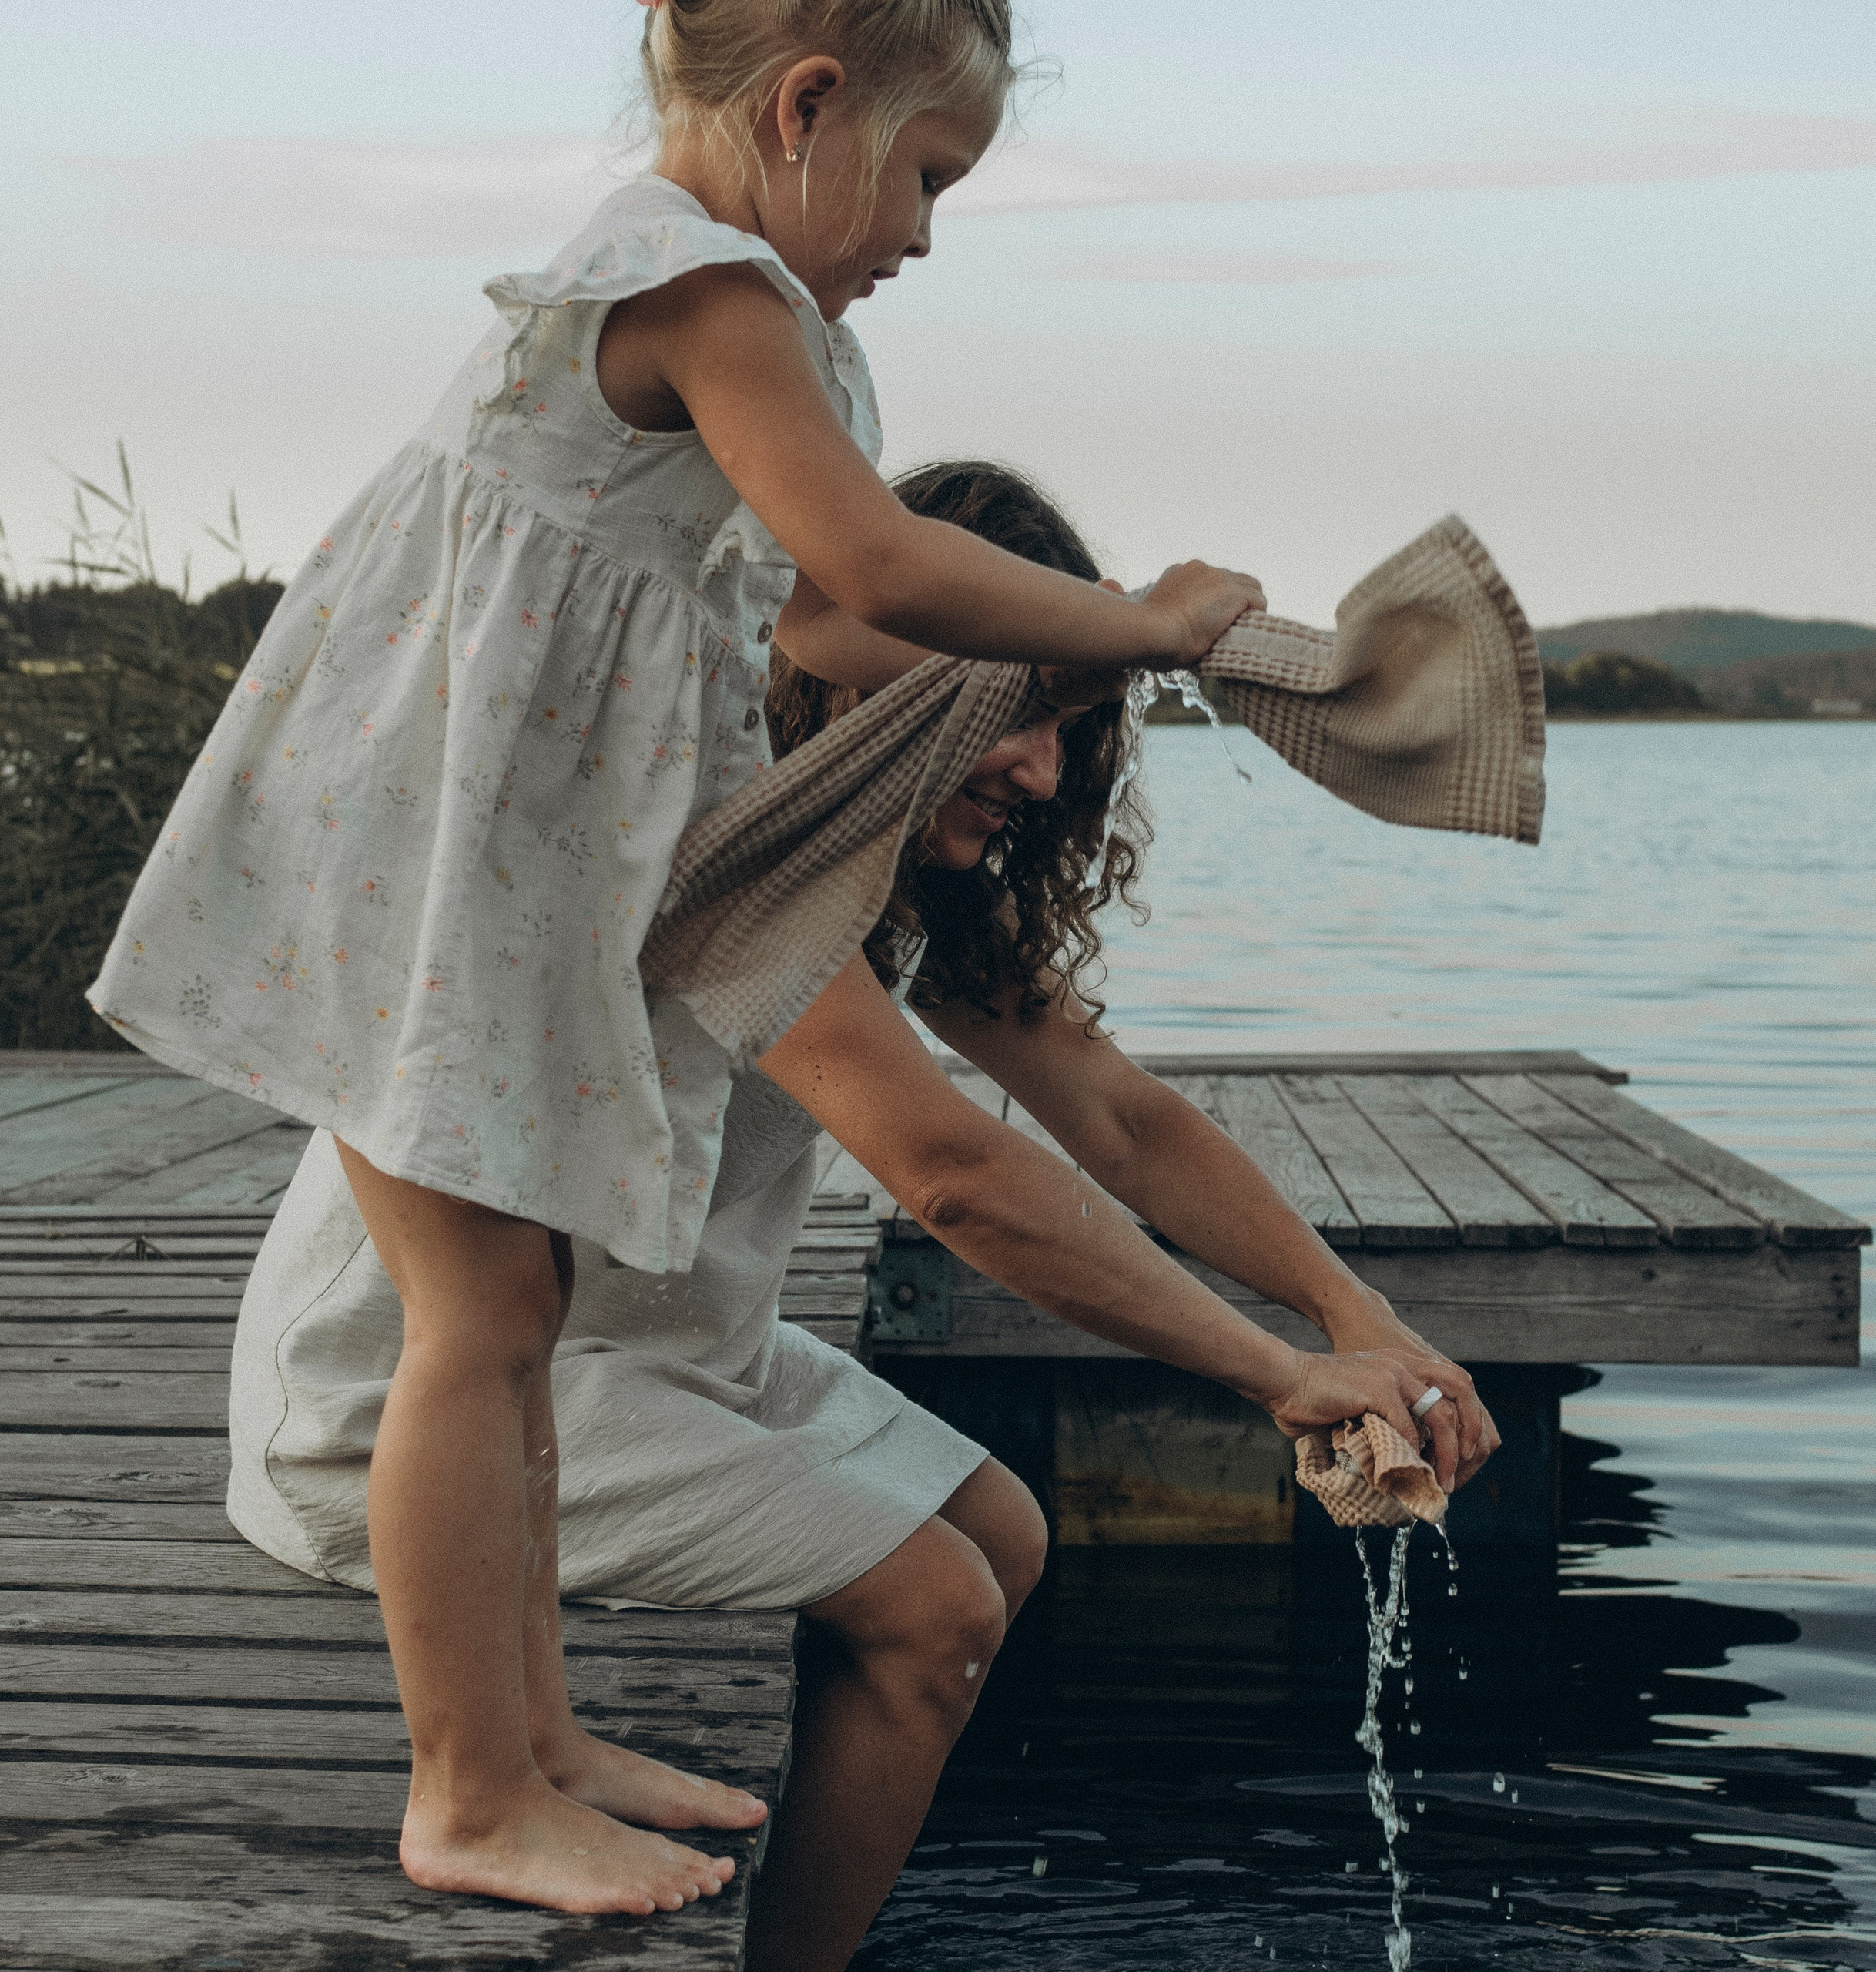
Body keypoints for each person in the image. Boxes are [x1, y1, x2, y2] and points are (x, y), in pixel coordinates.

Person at [88, 0, 1272, 1925]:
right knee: (475, 1324)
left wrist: (1074, 667)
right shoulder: (702, 284)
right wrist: (1139, 620)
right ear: (807, 107)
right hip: (437, 864)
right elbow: (877, 570)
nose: (919, 231)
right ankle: (468, 1781)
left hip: (517, 861)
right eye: (925, 175)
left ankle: (532, 1738)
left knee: (521, 1310)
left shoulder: (795, 347)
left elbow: (820, 618)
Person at [229, 456, 1501, 1971]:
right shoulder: (715, 846)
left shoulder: (883, 862)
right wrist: (1276, 1374)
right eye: (1018, 710)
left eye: (1072, 728)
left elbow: (1117, 1115)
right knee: (928, 1602)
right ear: (890, 671)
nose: (1039, 769)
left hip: (658, 1351)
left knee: (1003, 1534)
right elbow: (949, 1172)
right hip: (429, 1403)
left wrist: (1353, 1315)